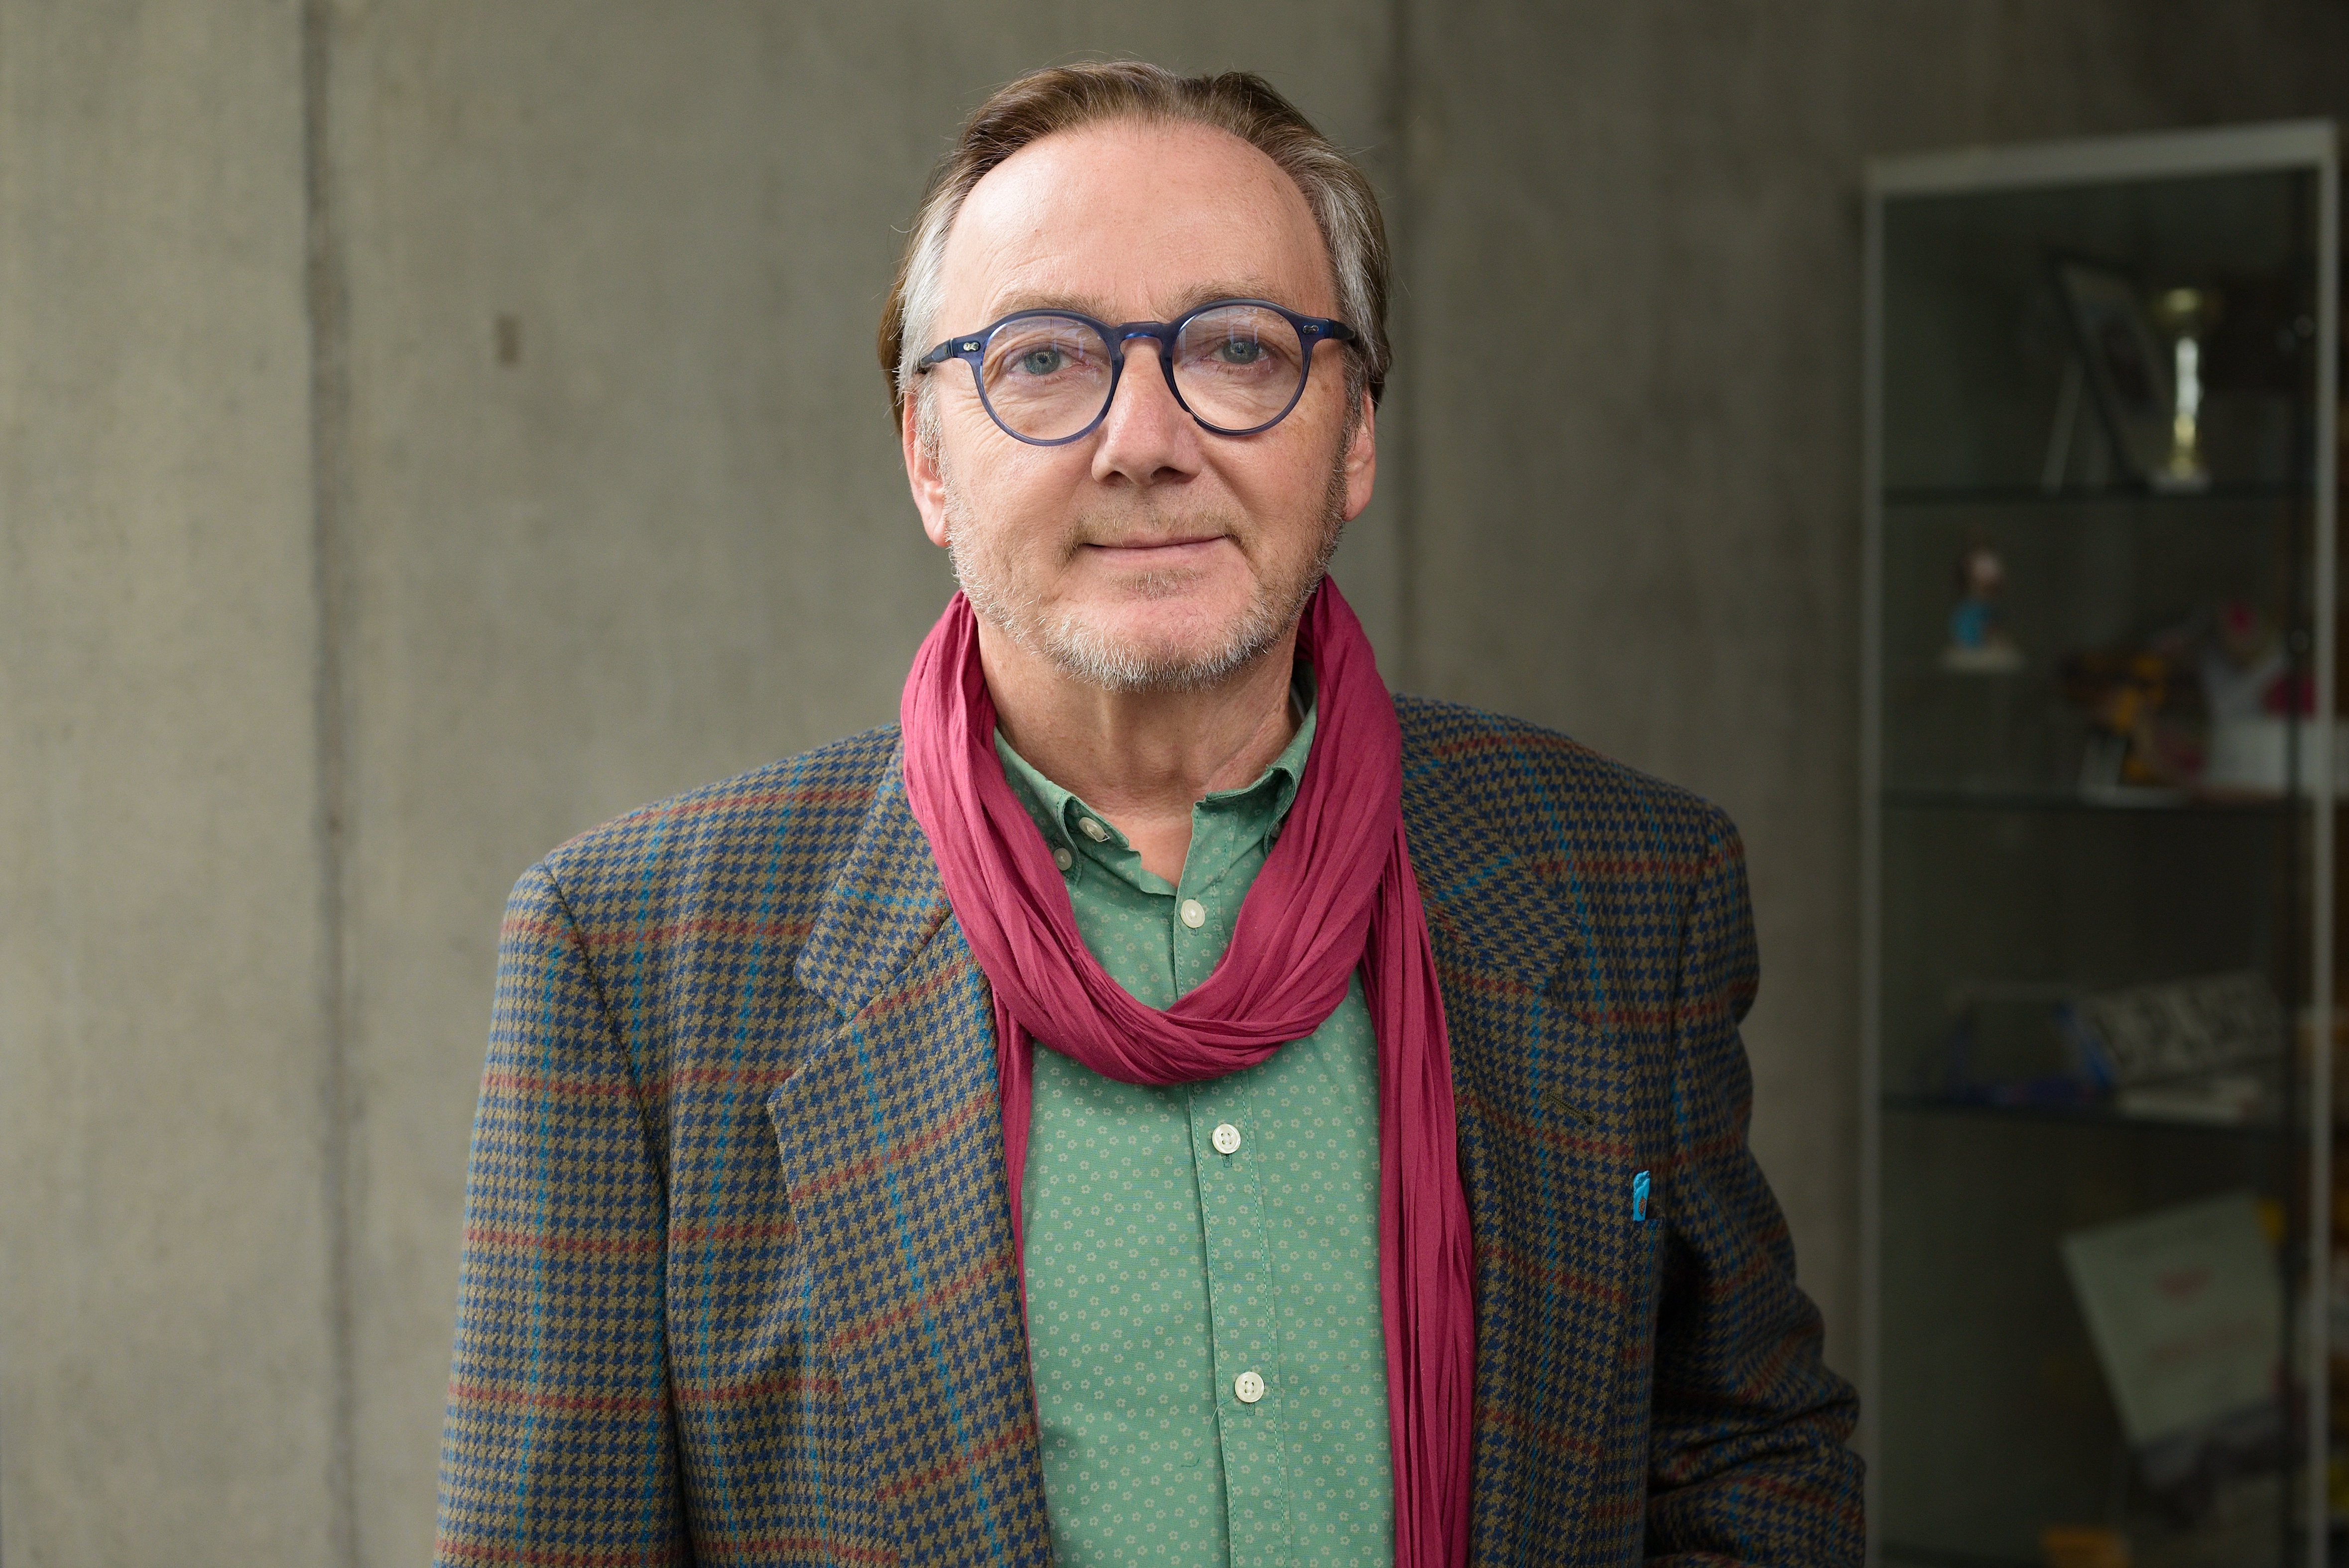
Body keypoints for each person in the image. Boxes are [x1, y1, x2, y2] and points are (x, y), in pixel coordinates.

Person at [435, 61, 1861, 1568]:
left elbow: (1747, 1455)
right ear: (928, 457)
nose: (1145, 439)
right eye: (1045, 361)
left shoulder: (1626, 882)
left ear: (1354, 438)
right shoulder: (637, 954)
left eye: (1238, 349)